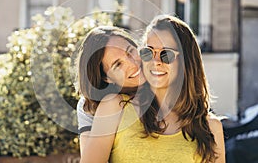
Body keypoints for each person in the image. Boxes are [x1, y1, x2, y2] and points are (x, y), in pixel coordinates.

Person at [79, 15, 225, 163]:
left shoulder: (211, 128)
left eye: (166, 54)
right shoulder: (115, 107)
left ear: (186, 62)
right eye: (148, 52)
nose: (155, 62)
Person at [76, 26, 146, 153]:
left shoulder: (164, 78)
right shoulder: (92, 106)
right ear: (106, 78)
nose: (133, 64)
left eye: (130, 51)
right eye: (118, 64)